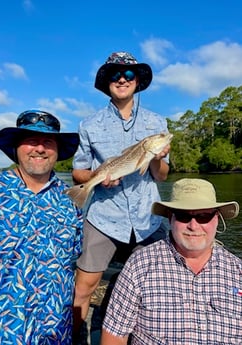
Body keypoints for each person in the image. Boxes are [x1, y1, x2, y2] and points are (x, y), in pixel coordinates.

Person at [72, 51, 171, 338]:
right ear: (107, 82)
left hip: (146, 218)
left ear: (137, 81)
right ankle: (73, 338)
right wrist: (95, 178)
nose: (122, 79)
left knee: (152, 288)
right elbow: (78, 171)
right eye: (115, 74)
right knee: (84, 287)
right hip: (104, 216)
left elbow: (161, 175)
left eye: (128, 74)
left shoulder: (156, 123)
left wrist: (154, 156)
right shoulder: (89, 124)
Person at [100, 178, 242, 345]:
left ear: (216, 218)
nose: (193, 226)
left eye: (203, 216)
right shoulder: (139, 265)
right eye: (183, 216)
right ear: (170, 217)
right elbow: (115, 335)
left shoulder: (237, 271)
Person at [0, 110, 83, 344]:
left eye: (48, 142)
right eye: (31, 140)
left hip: (54, 332)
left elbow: (74, 259)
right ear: (16, 148)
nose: (39, 148)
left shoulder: (71, 199)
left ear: (57, 151)